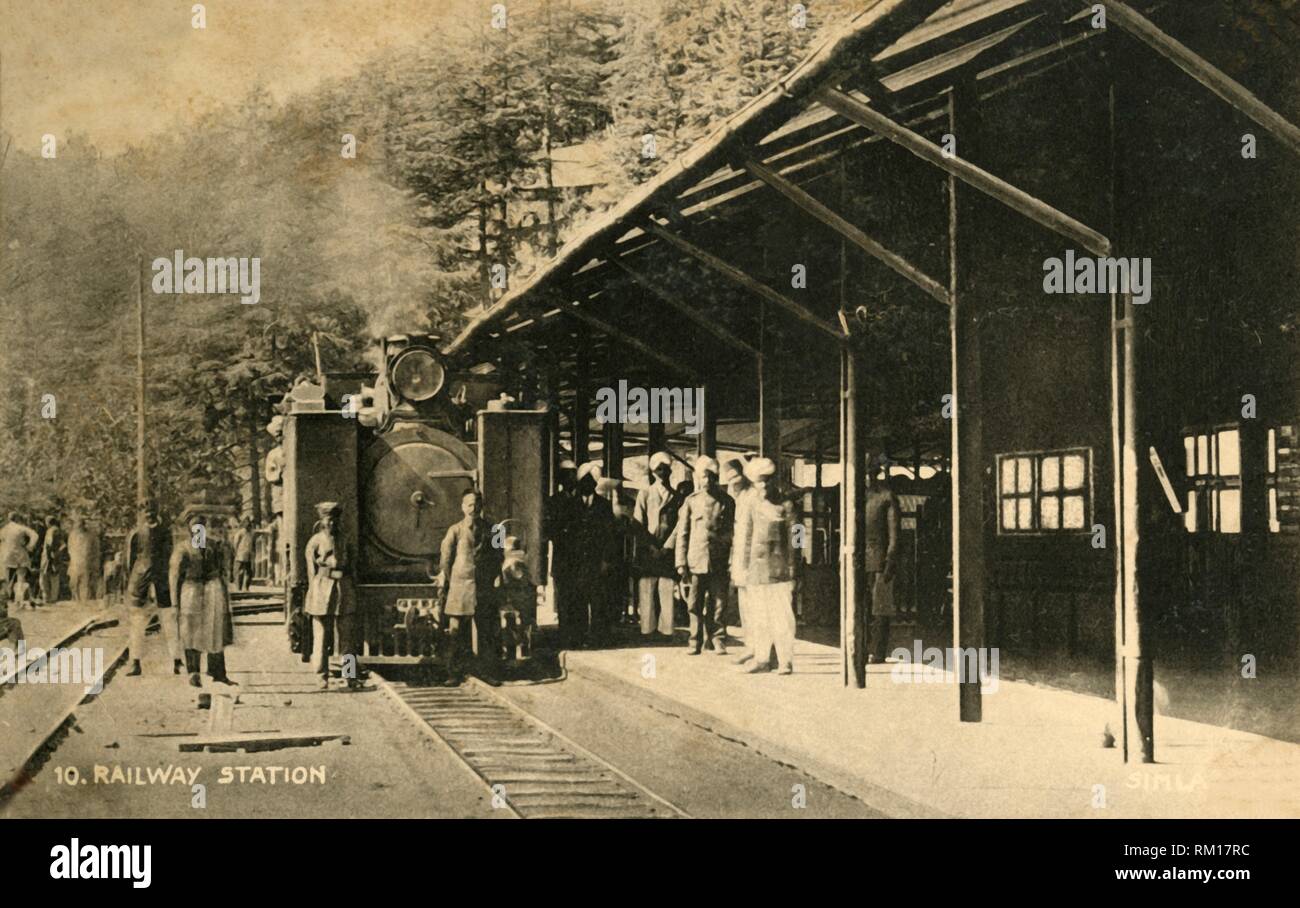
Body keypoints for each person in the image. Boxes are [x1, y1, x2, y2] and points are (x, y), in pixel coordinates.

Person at [734, 458, 801, 675]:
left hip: (779, 570)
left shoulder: (788, 505)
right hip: (755, 569)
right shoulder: (752, 505)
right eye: (758, 482)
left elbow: (797, 539)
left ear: (773, 480)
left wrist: (793, 567)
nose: (762, 486)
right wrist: (744, 566)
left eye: (765, 481)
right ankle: (761, 659)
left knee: (782, 618)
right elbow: (746, 538)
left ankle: (785, 661)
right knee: (758, 617)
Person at [438, 489, 503, 683]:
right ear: (462, 507)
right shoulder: (454, 530)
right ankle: (454, 673)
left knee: (486, 631)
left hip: (483, 587)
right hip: (460, 586)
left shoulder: (495, 530)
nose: (473, 508)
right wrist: (452, 580)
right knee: (455, 632)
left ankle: (487, 672)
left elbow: (499, 556)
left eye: (477, 504)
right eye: (469, 504)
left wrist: (494, 578)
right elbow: (446, 558)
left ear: (481, 506)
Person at [169, 506, 236, 688]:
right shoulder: (183, 549)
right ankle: (193, 671)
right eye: (195, 527)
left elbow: (223, 569)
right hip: (191, 589)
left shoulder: (214, 546)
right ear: (189, 530)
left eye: (201, 526)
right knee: (191, 630)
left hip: (212, 589)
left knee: (215, 630)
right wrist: (175, 603)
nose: (199, 530)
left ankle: (217, 672)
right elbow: (174, 576)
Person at [675, 455, 734, 655]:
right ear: (698, 478)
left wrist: (731, 559)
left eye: (711, 476)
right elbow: (683, 533)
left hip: (719, 560)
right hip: (696, 561)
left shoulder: (727, 501)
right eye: (703, 477)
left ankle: (718, 639)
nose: (707, 481)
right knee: (694, 604)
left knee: (719, 603)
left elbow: (732, 533)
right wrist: (681, 563)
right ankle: (695, 640)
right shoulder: (691, 502)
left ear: (716, 477)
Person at [304, 501, 358, 691]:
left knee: (347, 638)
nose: (332, 524)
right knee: (321, 637)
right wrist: (312, 594)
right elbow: (311, 572)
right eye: (329, 521)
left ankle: (350, 676)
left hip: (344, 590)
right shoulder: (315, 542)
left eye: (335, 521)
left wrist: (352, 587)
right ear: (322, 522)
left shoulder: (346, 540)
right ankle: (321, 677)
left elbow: (352, 566)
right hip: (321, 590)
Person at [124, 501, 182, 676]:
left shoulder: (165, 532)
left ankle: (177, 661)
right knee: (137, 622)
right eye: (145, 511)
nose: (148, 514)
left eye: (151, 511)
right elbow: (129, 562)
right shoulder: (136, 534)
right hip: (141, 580)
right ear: (141, 513)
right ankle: (135, 662)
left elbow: (170, 555)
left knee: (169, 620)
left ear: (156, 512)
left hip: (161, 580)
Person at [860, 454, 900, 680]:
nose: (867, 477)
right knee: (864, 608)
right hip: (861, 560)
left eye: (869, 472)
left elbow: (894, 535)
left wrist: (890, 561)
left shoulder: (887, 497)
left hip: (880, 560)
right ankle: (865, 648)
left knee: (880, 608)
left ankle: (878, 651)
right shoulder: (859, 498)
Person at [633, 452, 680, 640]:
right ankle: (647, 629)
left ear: (670, 471)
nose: (662, 473)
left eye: (665, 469)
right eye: (658, 469)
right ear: (652, 472)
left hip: (667, 551)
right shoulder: (644, 494)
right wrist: (650, 545)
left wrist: (668, 546)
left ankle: (666, 630)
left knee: (667, 588)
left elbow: (679, 524)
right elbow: (638, 523)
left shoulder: (677, 497)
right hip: (648, 550)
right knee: (646, 587)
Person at [496, 536, 536, 662]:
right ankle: (523, 649)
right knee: (523, 622)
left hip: (512, 596)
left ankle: (512, 652)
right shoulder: (523, 560)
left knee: (511, 623)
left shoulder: (511, 562)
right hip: (523, 596)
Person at [0, 512, 40, 610]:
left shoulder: (4, 529)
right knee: (21, 578)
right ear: (17, 518)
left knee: (6, 579)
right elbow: (35, 535)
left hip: (6, 555)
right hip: (20, 554)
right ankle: (19, 601)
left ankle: (6, 601)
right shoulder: (21, 528)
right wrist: (30, 546)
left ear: (9, 519)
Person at [66, 516, 97, 603]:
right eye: (78, 525)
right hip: (75, 561)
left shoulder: (90, 535)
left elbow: (94, 549)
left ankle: (84, 601)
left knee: (85, 582)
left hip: (86, 561)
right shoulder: (72, 535)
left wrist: (92, 559)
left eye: (81, 524)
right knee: (74, 581)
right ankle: (75, 598)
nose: (79, 526)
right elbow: (70, 547)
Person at [39, 516, 68, 605]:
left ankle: (47, 598)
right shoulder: (59, 530)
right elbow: (64, 545)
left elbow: (49, 544)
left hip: (48, 557)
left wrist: (50, 555)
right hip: (55, 556)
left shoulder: (51, 531)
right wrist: (57, 553)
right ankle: (53, 598)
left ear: (48, 522)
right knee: (54, 576)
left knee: (44, 577)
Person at [231, 515, 254, 591]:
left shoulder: (251, 532)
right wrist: (236, 552)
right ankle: (239, 587)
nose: (248, 525)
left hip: (248, 554)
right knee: (240, 571)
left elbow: (252, 543)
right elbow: (235, 543)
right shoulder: (240, 532)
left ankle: (246, 587)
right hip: (240, 554)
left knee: (249, 571)